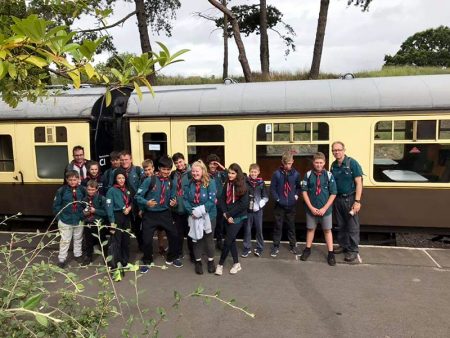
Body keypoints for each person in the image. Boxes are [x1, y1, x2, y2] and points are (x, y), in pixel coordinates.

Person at [135, 155, 181, 273]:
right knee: (147, 240)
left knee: (174, 235)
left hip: (165, 213)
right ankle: (147, 261)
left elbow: (173, 198)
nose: (166, 172)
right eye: (163, 169)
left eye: (168, 169)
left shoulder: (171, 182)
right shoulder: (149, 180)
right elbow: (137, 196)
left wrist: (174, 202)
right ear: (158, 168)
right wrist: (146, 202)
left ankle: (172, 257)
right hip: (150, 215)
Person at [299, 152, 337, 266]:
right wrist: (310, 207)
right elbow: (304, 191)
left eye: (321, 162)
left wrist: (325, 208)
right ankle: (307, 249)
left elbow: (333, 193)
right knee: (310, 229)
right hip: (311, 210)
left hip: (326, 210)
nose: (319, 165)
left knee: (327, 230)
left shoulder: (329, 175)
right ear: (313, 163)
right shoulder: (308, 175)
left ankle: (330, 253)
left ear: (324, 163)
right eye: (316, 162)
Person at [330, 141, 363, 263]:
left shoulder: (352, 163)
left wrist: (357, 201)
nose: (337, 152)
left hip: (350, 199)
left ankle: (353, 250)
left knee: (352, 226)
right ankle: (343, 245)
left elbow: (359, 183)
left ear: (344, 150)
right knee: (341, 224)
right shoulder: (333, 165)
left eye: (339, 150)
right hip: (337, 199)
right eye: (334, 150)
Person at [184, 160, 217, 275]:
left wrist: (200, 211)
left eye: (197, 171)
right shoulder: (189, 184)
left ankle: (210, 261)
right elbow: (185, 200)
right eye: (193, 171)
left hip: (208, 215)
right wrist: (192, 211)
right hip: (193, 215)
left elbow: (212, 200)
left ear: (202, 171)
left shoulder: (210, 182)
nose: (194, 173)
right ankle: (198, 262)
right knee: (196, 239)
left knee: (208, 239)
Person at [215, 163, 249, 276]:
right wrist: (225, 213)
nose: (230, 175)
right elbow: (221, 199)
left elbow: (243, 205)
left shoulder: (243, 185)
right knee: (232, 240)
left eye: (233, 173)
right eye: (229, 172)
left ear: (237, 174)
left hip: (238, 217)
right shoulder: (227, 184)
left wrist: (230, 214)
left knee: (228, 241)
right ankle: (236, 264)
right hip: (227, 215)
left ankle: (220, 264)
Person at [270, 151, 301, 258]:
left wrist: (296, 196)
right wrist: (278, 199)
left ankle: (293, 245)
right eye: (286, 163)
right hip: (280, 205)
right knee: (278, 226)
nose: (288, 166)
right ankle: (275, 246)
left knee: (291, 226)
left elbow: (298, 187)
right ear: (282, 163)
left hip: (291, 205)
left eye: (290, 163)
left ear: (293, 162)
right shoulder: (276, 174)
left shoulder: (296, 174)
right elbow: (272, 188)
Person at [53, 170, 86, 268]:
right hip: (65, 219)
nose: (72, 182)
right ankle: (62, 259)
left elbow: (85, 203)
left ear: (78, 179)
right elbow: (56, 206)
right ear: (67, 180)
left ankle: (78, 254)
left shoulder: (82, 189)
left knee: (78, 238)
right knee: (65, 240)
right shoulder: (61, 190)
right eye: (70, 180)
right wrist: (59, 218)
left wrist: (83, 214)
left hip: (79, 218)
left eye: (75, 179)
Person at [112, 150, 144, 251]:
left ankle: (141, 246)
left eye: (126, 159)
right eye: (122, 160)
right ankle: (123, 249)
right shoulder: (115, 172)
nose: (124, 161)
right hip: (121, 205)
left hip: (135, 204)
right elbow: (111, 187)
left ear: (131, 159)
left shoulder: (138, 170)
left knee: (138, 227)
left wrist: (141, 207)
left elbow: (143, 188)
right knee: (123, 228)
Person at [105, 168, 133, 282]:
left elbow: (131, 201)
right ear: (115, 179)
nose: (121, 180)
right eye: (119, 178)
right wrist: (112, 222)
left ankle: (125, 262)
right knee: (116, 242)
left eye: (123, 178)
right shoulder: (111, 191)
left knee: (126, 240)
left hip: (126, 217)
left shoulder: (127, 189)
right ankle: (115, 268)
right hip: (116, 217)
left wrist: (130, 208)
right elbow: (109, 207)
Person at [170, 152, 194, 262]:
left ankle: (193, 254)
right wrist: (172, 200)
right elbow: (171, 190)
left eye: (180, 162)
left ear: (184, 160)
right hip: (177, 209)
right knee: (178, 233)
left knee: (190, 233)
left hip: (188, 209)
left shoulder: (191, 172)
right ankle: (179, 252)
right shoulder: (173, 174)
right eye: (176, 163)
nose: (179, 165)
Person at [242, 163, 269, 258]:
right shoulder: (245, 182)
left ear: (258, 172)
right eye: (252, 172)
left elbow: (265, 197)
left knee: (259, 229)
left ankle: (260, 248)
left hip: (258, 211)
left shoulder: (261, 183)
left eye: (255, 172)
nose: (253, 173)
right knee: (247, 230)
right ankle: (246, 248)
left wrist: (260, 204)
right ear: (249, 172)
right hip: (248, 211)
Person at [141, 159, 167, 256]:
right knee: (149, 232)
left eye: (149, 169)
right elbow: (141, 195)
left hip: (159, 208)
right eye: (145, 170)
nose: (148, 172)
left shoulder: (158, 178)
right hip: (147, 209)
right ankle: (149, 251)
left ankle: (161, 246)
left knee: (160, 230)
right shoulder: (143, 179)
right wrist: (141, 208)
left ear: (153, 168)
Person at [81, 179, 108, 266]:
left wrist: (95, 210)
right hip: (88, 222)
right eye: (89, 189)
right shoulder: (84, 199)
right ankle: (88, 256)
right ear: (86, 189)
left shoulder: (102, 198)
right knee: (88, 241)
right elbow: (82, 211)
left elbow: (105, 212)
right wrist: (84, 213)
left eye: (93, 189)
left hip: (99, 223)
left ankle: (106, 257)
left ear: (97, 189)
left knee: (102, 240)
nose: (91, 191)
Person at [205, 154, 227, 250]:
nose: (213, 166)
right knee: (209, 223)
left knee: (220, 224)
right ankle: (209, 243)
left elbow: (228, 174)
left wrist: (221, 165)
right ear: (208, 165)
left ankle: (219, 241)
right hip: (210, 203)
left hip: (220, 203)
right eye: (211, 164)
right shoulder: (206, 175)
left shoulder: (219, 174)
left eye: (215, 164)